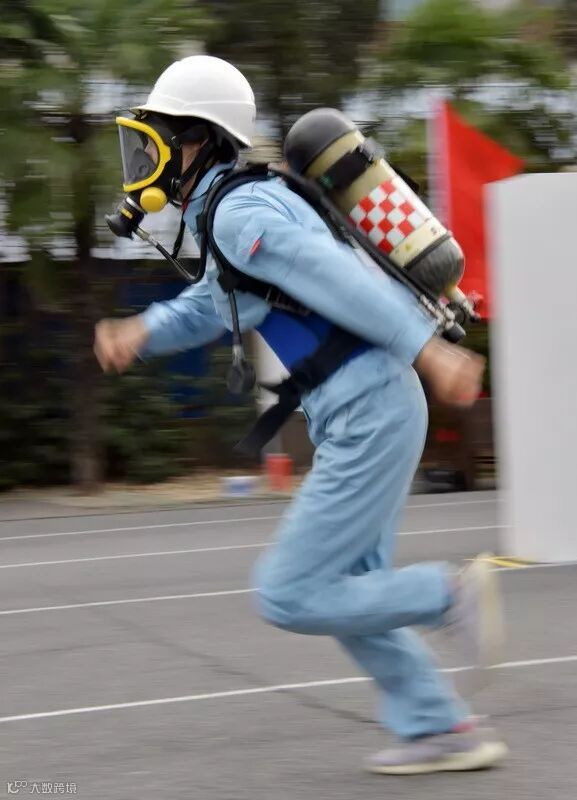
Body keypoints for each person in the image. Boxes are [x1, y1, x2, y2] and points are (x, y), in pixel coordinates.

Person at [95, 55, 507, 775]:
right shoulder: (234, 209)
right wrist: (144, 331)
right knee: (347, 590)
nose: (144, 160)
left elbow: (335, 277)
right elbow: (214, 305)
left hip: (369, 411)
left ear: (200, 141)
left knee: (288, 590)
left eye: (158, 139)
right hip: (364, 409)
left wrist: (430, 352)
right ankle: (439, 727)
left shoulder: (240, 213)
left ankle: (445, 593)